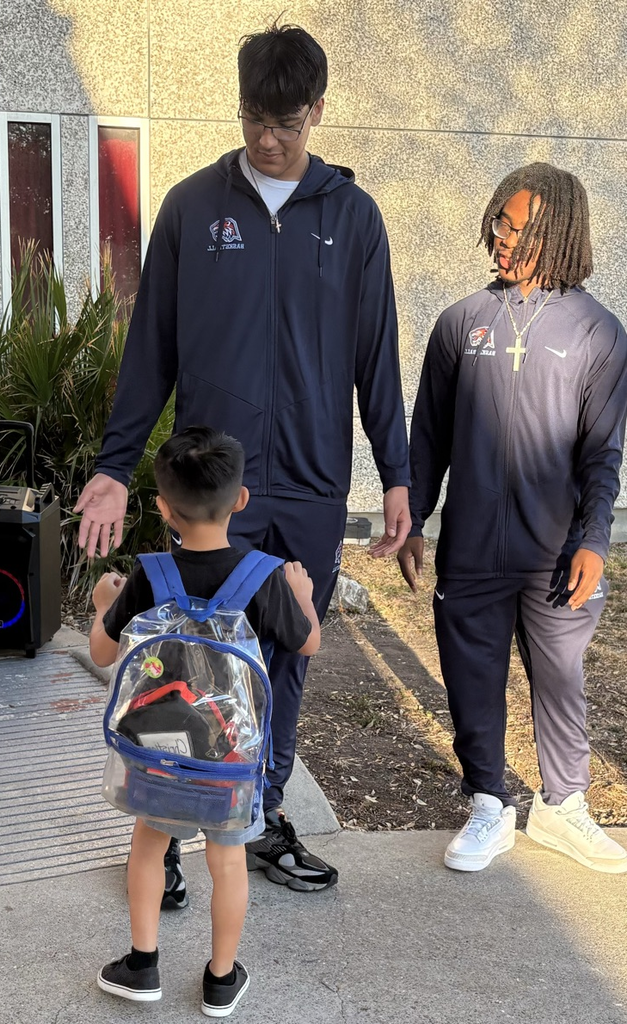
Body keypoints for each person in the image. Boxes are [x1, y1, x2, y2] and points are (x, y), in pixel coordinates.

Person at [75, 21, 410, 896]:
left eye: (287, 121)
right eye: (254, 117)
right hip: (210, 484)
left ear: (317, 112)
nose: (268, 138)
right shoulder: (192, 207)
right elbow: (151, 349)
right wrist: (116, 465)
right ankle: (171, 828)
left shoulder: (353, 217)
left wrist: (400, 475)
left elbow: (377, 356)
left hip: (307, 481)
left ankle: (258, 811)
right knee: (185, 653)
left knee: (289, 651)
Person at [398, 162, 627, 874]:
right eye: (499, 220)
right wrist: (411, 519)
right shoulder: (460, 324)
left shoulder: (597, 333)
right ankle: (488, 805)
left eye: (519, 228)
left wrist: (593, 538)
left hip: (554, 551)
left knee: (558, 676)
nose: (502, 237)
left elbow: (601, 453)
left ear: (558, 233)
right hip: (469, 547)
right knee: (471, 674)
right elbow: (427, 439)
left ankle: (562, 808)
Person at [90, 426, 320, 1014]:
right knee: (228, 862)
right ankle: (221, 978)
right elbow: (307, 644)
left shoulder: (148, 574)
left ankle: (142, 965)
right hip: (230, 761)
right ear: (241, 500)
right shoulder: (266, 577)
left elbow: (101, 653)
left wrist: (100, 605)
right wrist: (303, 593)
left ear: (163, 508)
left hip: (157, 753)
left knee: (147, 848)